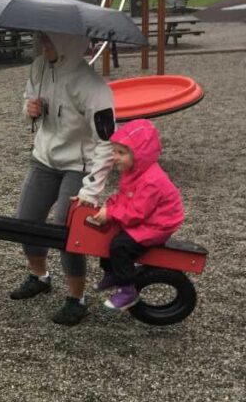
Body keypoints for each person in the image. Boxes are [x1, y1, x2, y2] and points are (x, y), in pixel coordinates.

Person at [10, 31, 116, 326]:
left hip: (78, 165)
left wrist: (91, 191)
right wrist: (29, 110)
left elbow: (107, 141)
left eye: (48, 40)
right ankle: (39, 276)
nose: (42, 46)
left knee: (67, 231)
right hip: (44, 157)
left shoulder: (92, 86)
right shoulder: (39, 67)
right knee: (26, 221)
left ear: (67, 42)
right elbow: (28, 103)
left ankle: (76, 297)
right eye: (41, 40)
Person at [89, 118, 184, 311]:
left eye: (121, 153)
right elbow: (125, 197)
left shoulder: (151, 181)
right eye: (114, 151)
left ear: (140, 154)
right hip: (147, 218)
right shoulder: (134, 172)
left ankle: (127, 290)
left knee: (120, 245)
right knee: (108, 235)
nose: (115, 157)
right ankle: (112, 274)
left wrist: (111, 213)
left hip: (158, 224)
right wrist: (110, 205)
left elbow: (136, 213)